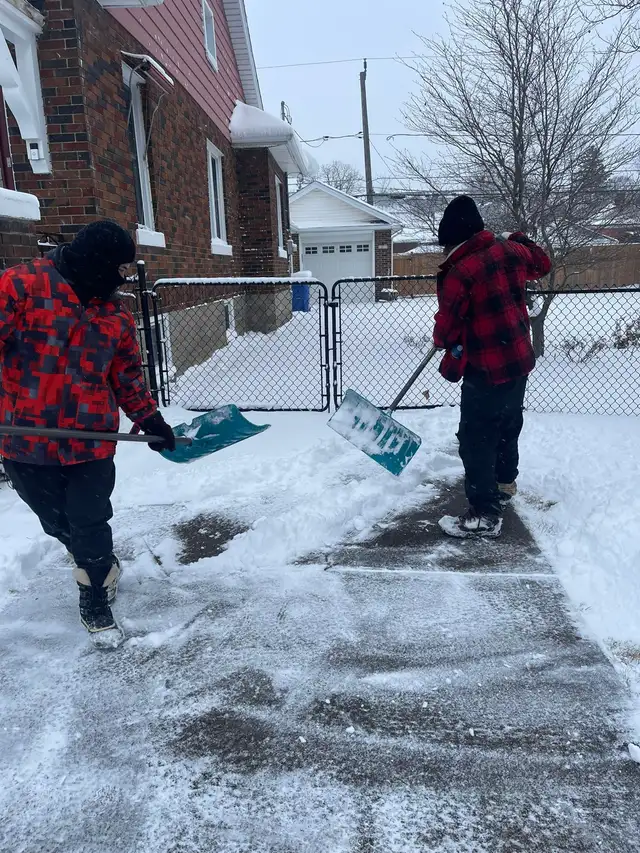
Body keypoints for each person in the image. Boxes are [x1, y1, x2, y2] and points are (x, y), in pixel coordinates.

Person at [0, 221, 176, 643]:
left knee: (89, 518)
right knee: (55, 520)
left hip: (91, 439)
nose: (122, 280)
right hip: (25, 436)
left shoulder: (115, 315)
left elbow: (126, 376)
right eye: (118, 270)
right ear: (94, 263)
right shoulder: (20, 287)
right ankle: (91, 557)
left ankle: (95, 586)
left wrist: (150, 419)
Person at [433, 196, 551, 538]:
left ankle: (485, 515)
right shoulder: (510, 251)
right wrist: (519, 237)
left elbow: (446, 330)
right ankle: (503, 484)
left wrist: (441, 337)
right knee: (507, 423)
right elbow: (542, 263)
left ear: (453, 240)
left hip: (486, 367)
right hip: (518, 359)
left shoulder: (460, 272)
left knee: (476, 437)